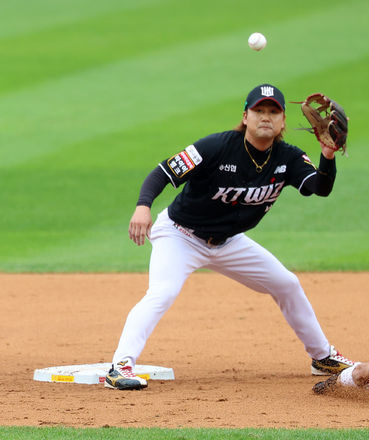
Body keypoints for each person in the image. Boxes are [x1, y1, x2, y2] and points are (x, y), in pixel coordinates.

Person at [104, 83, 354, 390]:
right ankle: (120, 366)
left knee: (287, 284)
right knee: (163, 292)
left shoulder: (288, 157)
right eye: (259, 110)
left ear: (283, 121)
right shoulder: (216, 147)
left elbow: (320, 187)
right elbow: (164, 172)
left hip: (230, 242)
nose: (266, 117)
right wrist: (143, 206)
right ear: (245, 116)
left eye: (273, 111)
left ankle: (322, 357)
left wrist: (328, 156)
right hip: (179, 236)